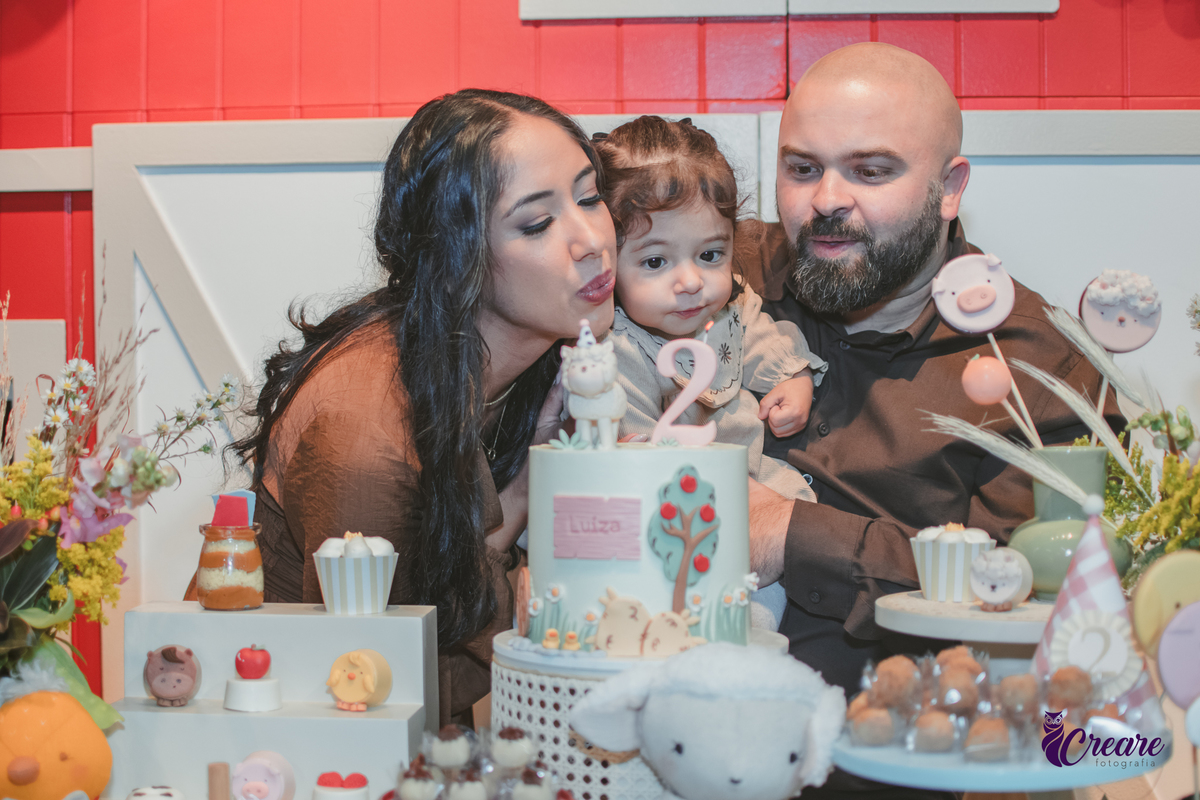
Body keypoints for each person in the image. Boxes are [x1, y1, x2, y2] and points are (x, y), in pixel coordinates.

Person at [741, 43, 1118, 796]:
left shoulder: (1041, 371)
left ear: (950, 190)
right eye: (803, 167)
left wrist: (791, 534)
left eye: (871, 171)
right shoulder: (721, 277)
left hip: (909, 760)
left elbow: (1021, 598)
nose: (825, 200)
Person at [230, 89, 617, 727]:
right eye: (536, 223)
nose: (591, 241)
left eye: (589, 196)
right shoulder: (366, 435)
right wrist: (523, 499)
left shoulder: (552, 347)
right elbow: (370, 689)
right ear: (458, 255)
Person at [593, 115, 828, 629]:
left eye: (710, 254)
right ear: (608, 265)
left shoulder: (729, 309)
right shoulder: (619, 348)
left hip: (748, 493)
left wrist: (792, 379)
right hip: (664, 509)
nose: (691, 281)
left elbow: (765, 336)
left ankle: (748, 641)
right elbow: (623, 440)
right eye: (655, 262)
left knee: (766, 583)